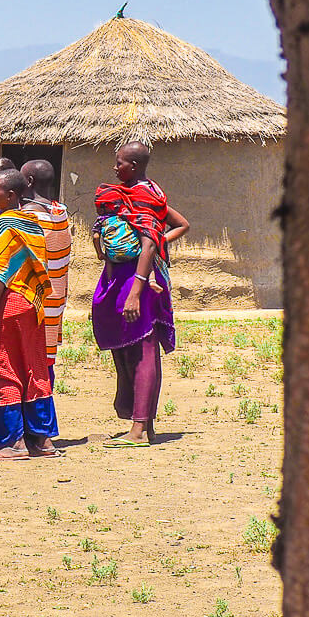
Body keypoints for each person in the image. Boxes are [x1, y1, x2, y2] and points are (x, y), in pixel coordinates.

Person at [92, 141, 189, 446]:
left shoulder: (145, 195)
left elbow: (148, 243)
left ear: (132, 166)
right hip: (126, 276)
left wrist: (136, 289)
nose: (114, 167)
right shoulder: (133, 194)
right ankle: (144, 425)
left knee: (144, 350)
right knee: (132, 349)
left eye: (119, 162)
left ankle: (138, 429)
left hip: (139, 278)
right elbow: (176, 225)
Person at [0, 169, 59, 460]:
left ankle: (12, 443)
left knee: (1, 370)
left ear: (10, 195)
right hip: (30, 306)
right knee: (33, 368)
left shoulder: (4, 224)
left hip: (4, 309)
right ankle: (42, 441)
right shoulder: (30, 222)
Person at [20, 159, 73, 367]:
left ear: (29, 181)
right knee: (46, 360)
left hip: (36, 304)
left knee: (33, 364)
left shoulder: (30, 218)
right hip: (56, 300)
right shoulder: (61, 212)